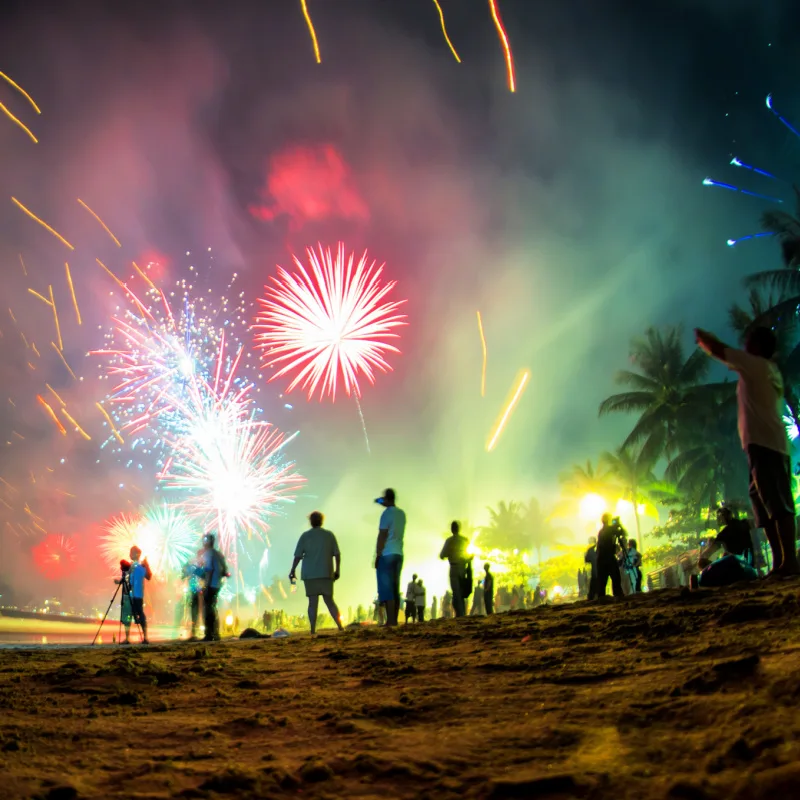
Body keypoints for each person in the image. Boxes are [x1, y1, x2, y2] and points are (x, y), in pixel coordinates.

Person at [696, 326, 800, 576]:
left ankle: (790, 562)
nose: (744, 345)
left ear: (758, 347)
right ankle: (780, 562)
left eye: (749, 341)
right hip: (760, 445)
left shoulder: (757, 365)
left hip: (767, 445)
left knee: (777, 503)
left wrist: (701, 336)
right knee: (763, 506)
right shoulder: (763, 370)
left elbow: (719, 350)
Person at [289, 511, 344, 635]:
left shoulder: (305, 536)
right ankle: (340, 626)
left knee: (312, 603)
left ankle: (313, 629)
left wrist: (292, 570)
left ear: (311, 521)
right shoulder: (329, 535)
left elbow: (298, 556)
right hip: (326, 573)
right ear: (321, 521)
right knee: (330, 601)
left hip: (310, 574)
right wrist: (337, 570)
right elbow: (337, 554)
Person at [696, 506, 758, 588]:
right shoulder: (743, 524)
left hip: (737, 566)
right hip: (749, 564)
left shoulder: (724, 534)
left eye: (720, 517)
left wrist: (702, 556)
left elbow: (707, 553)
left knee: (718, 557)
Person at [374, 488, 406, 626]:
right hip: (398, 553)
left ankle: (391, 620)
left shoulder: (386, 514)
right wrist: (379, 500)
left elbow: (382, 535)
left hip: (387, 553)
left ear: (387, 499)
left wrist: (377, 554)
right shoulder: (401, 514)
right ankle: (394, 618)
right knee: (395, 586)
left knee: (386, 588)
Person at [201, 532, 229, 642]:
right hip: (217, 585)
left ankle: (209, 634)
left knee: (207, 609)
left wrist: (207, 584)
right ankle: (216, 633)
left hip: (211, 585)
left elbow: (209, 570)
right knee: (213, 608)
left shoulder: (209, 553)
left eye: (204, 541)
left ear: (208, 542)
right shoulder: (218, 554)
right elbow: (225, 571)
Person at [439, 521, 471, 617]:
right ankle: (462, 613)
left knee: (456, 592)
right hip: (463, 568)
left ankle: (460, 614)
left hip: (454, 567)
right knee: (461, 592)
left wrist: (450, 553)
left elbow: (442, 555)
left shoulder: (449, 541)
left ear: (452, 529)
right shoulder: (465, 540)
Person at [595, 514, 625, 598]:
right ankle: (618, 594)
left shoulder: (601, 531)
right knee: (615, 577)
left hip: (600, 558)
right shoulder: (610, 529)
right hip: (608, 557)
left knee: (602, 580)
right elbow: (623, 533)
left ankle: (601, 597)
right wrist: (619, 525)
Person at [128, 546, 152, 644]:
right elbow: (128, 578)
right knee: (131, 614)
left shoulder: (141, 565)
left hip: (137, 594)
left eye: (131, 553)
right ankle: (127, 637)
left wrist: (146, 565)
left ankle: (145, 637)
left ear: (136, 554)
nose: (129, 554)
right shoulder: (131, 565)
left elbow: (149, 576)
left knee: (140, 614)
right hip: (130, 594)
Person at [182, 549, 204, 641]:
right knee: (195, 611)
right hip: (197, 591)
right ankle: (194, 630)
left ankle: (194, 630)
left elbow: (184, 574)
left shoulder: (193, 566)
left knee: (195, 611)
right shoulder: (196, 567)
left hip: (196, 591)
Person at [114, 561, 134, 645]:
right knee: (126, 618)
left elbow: (129, 585)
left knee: (126, 618)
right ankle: (127, 637)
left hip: (128, 598)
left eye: (121, 566)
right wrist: (119, 582)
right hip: (127, 597)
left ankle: (127, 638)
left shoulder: (129, 575)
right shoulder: (127, 574)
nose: (120, 568)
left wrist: (119, 582)